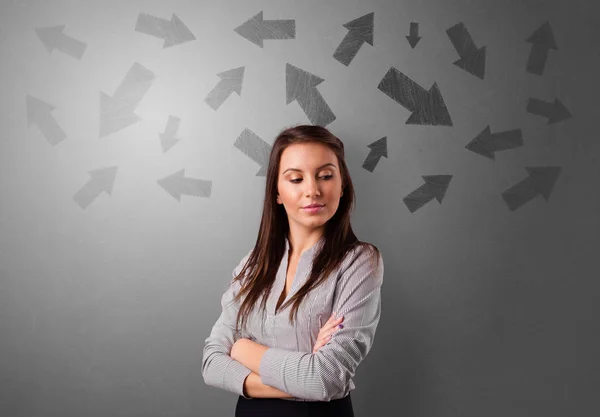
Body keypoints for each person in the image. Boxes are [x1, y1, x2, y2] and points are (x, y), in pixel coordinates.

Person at [202, 124, 384, 416]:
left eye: (325, 176)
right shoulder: (252, 265)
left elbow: (326, 376)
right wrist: (305, 376)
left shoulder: (359, 262)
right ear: (277, 192)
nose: (312, 190)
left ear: (343, 185)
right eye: (296, 179)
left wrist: (243, 350)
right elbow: (211, 363)